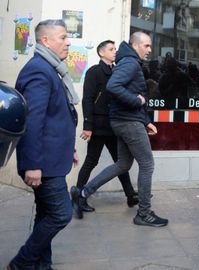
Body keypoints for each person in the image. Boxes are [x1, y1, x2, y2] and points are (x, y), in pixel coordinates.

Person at [71, 32, 168, 227]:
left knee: (123, 164)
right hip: (128, 122)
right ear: (135, 45)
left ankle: (81, 193)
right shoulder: (130, 63)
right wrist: (136, 101)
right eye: (147, 46)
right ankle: (144, 213)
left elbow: (127, 91)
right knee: (147, 164)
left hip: (125, 121)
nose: (149, 50)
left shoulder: (126, 62)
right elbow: (114, 86)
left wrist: (145, 120)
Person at [8, 19, 77, 270]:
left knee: (45, 214)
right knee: (61, 214)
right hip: (43, 163)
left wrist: (71, 149)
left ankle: (41, 264)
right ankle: (23, 262)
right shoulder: (40, 70)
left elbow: (56, 117)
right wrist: (33, 164)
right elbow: (32, 122)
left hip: (52, 157)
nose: (68, 41)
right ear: (45, 41)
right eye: (62, 37)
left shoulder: (49, 67)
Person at [75, 40, 138, 215]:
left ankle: (130, 195)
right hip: (98, 125)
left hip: (114, 124)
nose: (115, 52)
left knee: (120, 162)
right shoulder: (94, 72)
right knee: (91, 160)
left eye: (115, 49)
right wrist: (88, 126)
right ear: (101, 53)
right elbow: (87, 99)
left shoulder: (117, 71)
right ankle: (79, 195)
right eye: (111, 49)